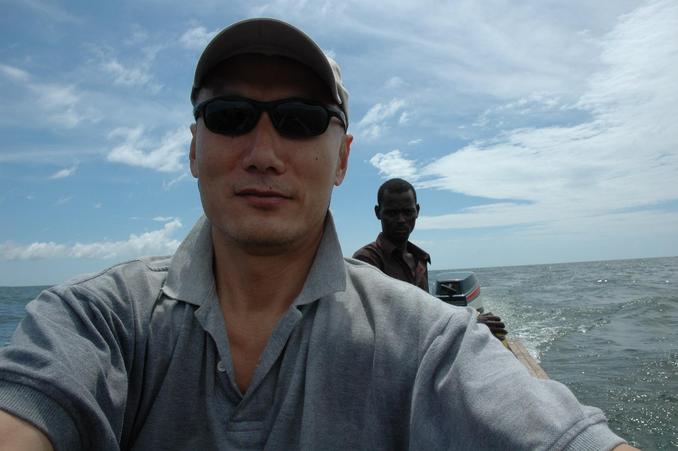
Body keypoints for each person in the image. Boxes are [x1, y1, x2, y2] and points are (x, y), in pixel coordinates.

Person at [0, 18, 636, 451]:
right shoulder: (94, 319)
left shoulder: (424, 338)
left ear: (342, 159)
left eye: (302, 120)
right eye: (229, 116)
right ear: (195, 147)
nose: (264, 153)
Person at [353, 178, 507, 339]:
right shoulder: (367, 260)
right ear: (378, 213)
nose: (401, 220)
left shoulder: (420, 259)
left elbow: (425, 310)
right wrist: (467, 321)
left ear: (417, 211)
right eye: (392, 213)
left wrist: (472, 319)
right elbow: (389, 320)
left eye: (407, 212)